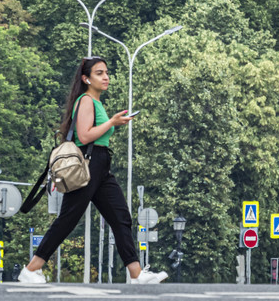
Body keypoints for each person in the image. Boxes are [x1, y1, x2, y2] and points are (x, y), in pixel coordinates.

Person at [19, 56, 168, 284]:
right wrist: (111, 123)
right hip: (89, 164)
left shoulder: (96, 103)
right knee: (68, 220)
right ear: (86, 78)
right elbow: (85, 135)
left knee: (121, 217)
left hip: (101, 167)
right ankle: (31, 269)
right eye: (99, 73)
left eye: (106, 72)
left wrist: (111, 122)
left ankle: (137, 274)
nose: (106, 77)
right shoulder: (86, 101)